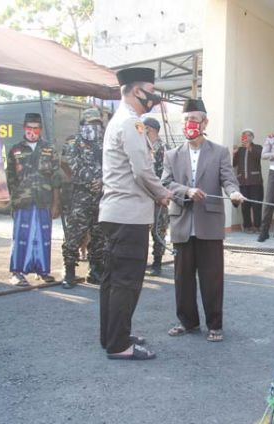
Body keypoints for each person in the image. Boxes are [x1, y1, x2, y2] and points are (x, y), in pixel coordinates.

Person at [98, 67, 173, 360]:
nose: (153, 96)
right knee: (126, 282)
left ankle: (112, 336)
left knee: (113, 281)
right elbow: (142, 170)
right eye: (150, 90)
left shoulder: (121, 121)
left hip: (117, 213)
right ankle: (119, 346)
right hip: (128, 215)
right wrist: (163, 193)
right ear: (134, 90)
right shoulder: (131, 124)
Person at [161, 99, 244, 342]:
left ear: (205, 122)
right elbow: (165, 183)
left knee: (212, 278)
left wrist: (234, 193)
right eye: (186, 120)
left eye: (194, 120)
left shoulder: (219, 152)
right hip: (182, 224)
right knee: (182, 278)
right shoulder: (171, 154)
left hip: (209, 225)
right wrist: (186, 191)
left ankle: (215, 324)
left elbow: (228, 179)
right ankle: (187, 322)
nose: (189, 124)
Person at [6, 113, 61, 286]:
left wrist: (56, 203)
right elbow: (10, 178)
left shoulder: (49, 149)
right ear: (24, 128)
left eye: (36, 128)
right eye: (29, 127)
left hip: (44, 201)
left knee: (44, 237)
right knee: (20, 236)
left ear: (41, 129)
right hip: (23, 202)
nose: (32, 131)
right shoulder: (16, 149)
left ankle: (43, 271)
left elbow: (56, 179)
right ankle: (16, 272)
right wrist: (13, 201)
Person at [61, 108, 106, 289]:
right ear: (83, 125)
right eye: (90, 124)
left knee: (99, 234)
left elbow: (112, 164)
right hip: (81, 195)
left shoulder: (104, 143)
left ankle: (95, 270)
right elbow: (73, 165)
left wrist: (103, 181)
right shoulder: (73, 142)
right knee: (74, 234)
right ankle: (69, 271)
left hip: (102, 195)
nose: (94, 127)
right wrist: (93, 182)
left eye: (97, 124)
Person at [143, 116, 170, 276]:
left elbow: (168, 175)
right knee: (141, 232)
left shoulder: (163, 148)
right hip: (143, 198)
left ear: (150, 129)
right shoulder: (144, 147)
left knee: (158, 232)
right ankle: (141, 263)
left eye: (144, 128)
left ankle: (157, 263)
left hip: (159, 199)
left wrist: (161, 194)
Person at [232, 128, 264, 234]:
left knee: (257, 205)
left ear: (252, 137)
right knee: (245, 205)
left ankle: (258, 226)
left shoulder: (258, 147)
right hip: (243, 182)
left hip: (256, 182)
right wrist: (234, 153)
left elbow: (259, 156)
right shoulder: (240, 150)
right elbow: (233, 164)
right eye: (244, 135)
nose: (246, 137)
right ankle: (247, 226)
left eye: (248, 135)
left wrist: (249, 147)